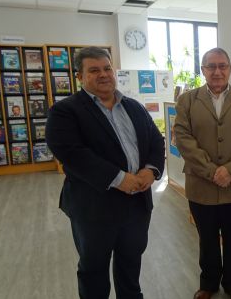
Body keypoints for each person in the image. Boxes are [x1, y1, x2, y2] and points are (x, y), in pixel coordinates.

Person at [45, 46, 165, 299]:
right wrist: (120, 179)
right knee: (94, 269)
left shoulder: (134, 107)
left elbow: (156, 142)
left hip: (136, 204)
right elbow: (72, 153)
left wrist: (150, 172)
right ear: (80, 76)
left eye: (107, 68)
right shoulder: (65, 111)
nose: (103, 74)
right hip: (94, 208)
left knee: (130, 263)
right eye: (94, 70)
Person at [174, 48, 231, 299]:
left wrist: (230, 170)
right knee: (207, 238)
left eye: (222, 66)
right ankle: (209, 283)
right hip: (201, 185)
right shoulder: (187, 101)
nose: (217, 71)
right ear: (203, 70)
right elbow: (183, 139)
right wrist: (213, 172)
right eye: (211, 66)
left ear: (229, 70)